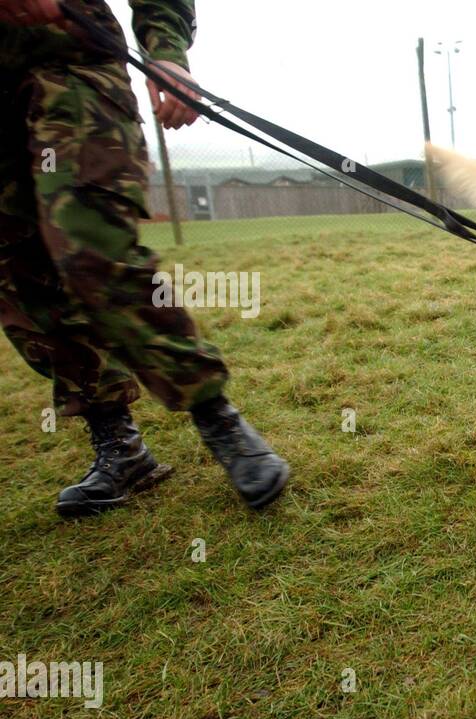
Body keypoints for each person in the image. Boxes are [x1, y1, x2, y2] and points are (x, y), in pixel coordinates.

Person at [0, 0, 289, 517]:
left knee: (93, 250)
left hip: (69, 66)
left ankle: (216, 417)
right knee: (21, 274)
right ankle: (118, 443)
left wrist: (167, 51)